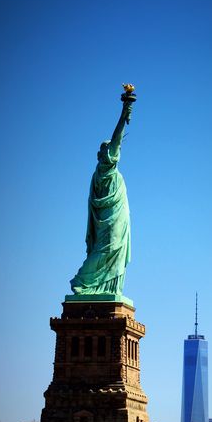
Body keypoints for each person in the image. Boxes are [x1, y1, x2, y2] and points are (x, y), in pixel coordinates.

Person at [70, 93, 134, 296]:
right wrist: (124, 113)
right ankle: (83, 281)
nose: (115, 150)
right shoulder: (104, 170)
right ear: (103, 155)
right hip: (108, 220)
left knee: (113, 250)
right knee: (107, 249)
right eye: (111, 149)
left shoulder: (103, 173)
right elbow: (116, 139)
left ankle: (106, 288)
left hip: (116, 217)